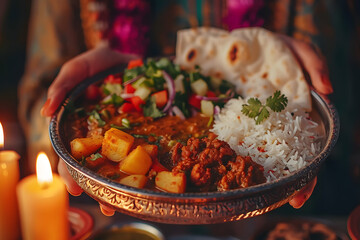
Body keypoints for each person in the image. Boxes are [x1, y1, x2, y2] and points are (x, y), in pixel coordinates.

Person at [21, 0, 336, 216]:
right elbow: (39, 91)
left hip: (278, 223)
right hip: (111, 222)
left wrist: (278, 55)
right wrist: (54, 148)